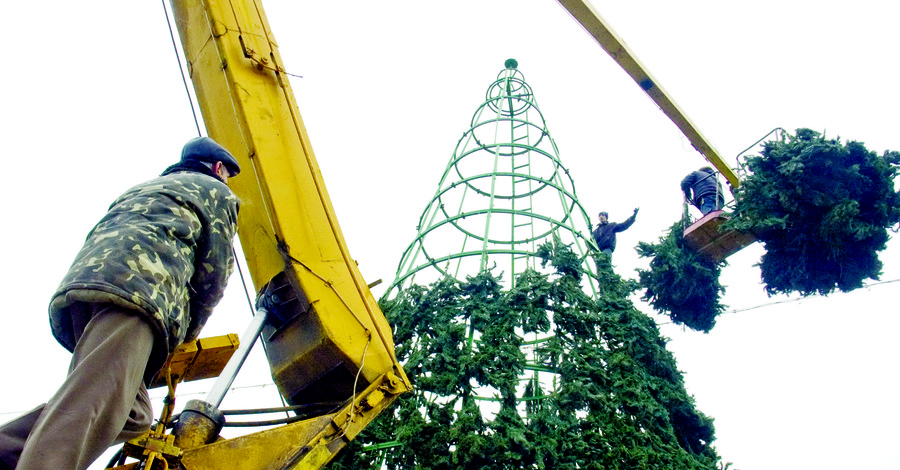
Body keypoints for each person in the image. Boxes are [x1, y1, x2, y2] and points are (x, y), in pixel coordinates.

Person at [0, 137, 240, 470]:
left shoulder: (147, 188)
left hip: (87, 289)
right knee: (92, 401)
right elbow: (214, 271)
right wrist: (189, 332)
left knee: (131, 412)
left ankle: (6, 449)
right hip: (140, 293)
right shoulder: (214, 191)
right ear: (218, 169)